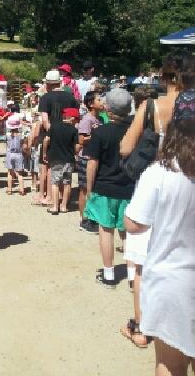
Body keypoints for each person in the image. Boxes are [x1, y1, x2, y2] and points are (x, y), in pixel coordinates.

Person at [120, 50, 190, 350]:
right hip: (187, 186)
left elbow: (126, 147)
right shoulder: (190, 107)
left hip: (153, 187)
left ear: (164, 76)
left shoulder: (152, 107)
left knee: (141, 262)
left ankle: (142, 326)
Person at [84, 88, 135, 288]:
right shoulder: (134, 131)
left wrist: (89, 188)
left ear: (107, 108)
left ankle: (109, 274)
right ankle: (133, 276)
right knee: (128, 233)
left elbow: (92, 163)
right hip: (130, 187)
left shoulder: (100, 132)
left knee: (106, 230)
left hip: (105, 187)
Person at [33, 69, 79, 206]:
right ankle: (62, 197)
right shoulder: (71, 97)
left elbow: (45, 121)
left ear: (47, 84)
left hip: (53, 134)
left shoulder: (45, 98)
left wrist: (52, 133)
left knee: (48, 166)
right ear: (60, 82)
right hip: (69, 134)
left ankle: (49, 198)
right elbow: (76, 117)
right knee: (65, 169)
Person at [42, 107, 80, 214]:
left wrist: (45, 153)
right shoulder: (74, 130)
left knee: (55, 182)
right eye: (76, 119)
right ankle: (63, 206)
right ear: (72, 118)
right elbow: (77, 147)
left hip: (55, 158)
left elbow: (46, 140)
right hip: (69, 159)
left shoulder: (54, 127)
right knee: (67, 183)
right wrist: (76, 154)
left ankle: (55, 206)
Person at [77, 91, 103, 233]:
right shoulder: (87, 120)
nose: (102, 101)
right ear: (91, 104)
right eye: (99, 99)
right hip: (85, 158)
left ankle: (92, 218)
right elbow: (81, 140)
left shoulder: (101, 119)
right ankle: (83, 219)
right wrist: (96, 135)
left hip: (96, 158)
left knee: (93, 188)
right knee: (84, 188)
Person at [4, 114, 26, 195]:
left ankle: (9, 189)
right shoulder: (21, 135)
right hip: (19, 154)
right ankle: (21, 189)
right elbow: (24, 145)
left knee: (10, 173)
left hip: (10, 154)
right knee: (20, 173)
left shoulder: (7, 135)